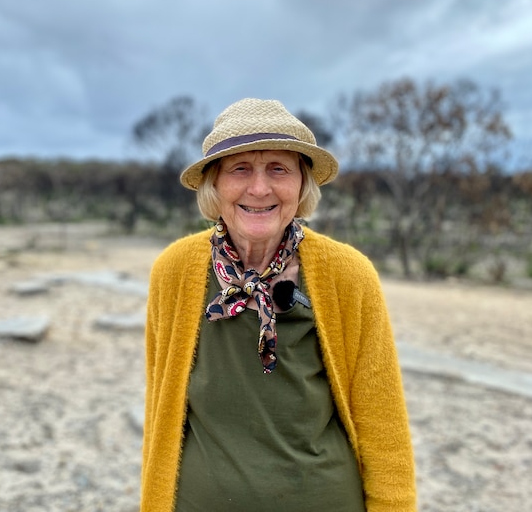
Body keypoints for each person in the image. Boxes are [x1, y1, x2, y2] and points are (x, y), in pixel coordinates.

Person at [140, 98, 416, 511]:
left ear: (303, 185)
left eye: (278, 169)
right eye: (240, 169)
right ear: (214, 184)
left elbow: (384, 425)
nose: (259, 188)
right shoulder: (174, 271)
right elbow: (160, 412)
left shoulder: (349, 275)